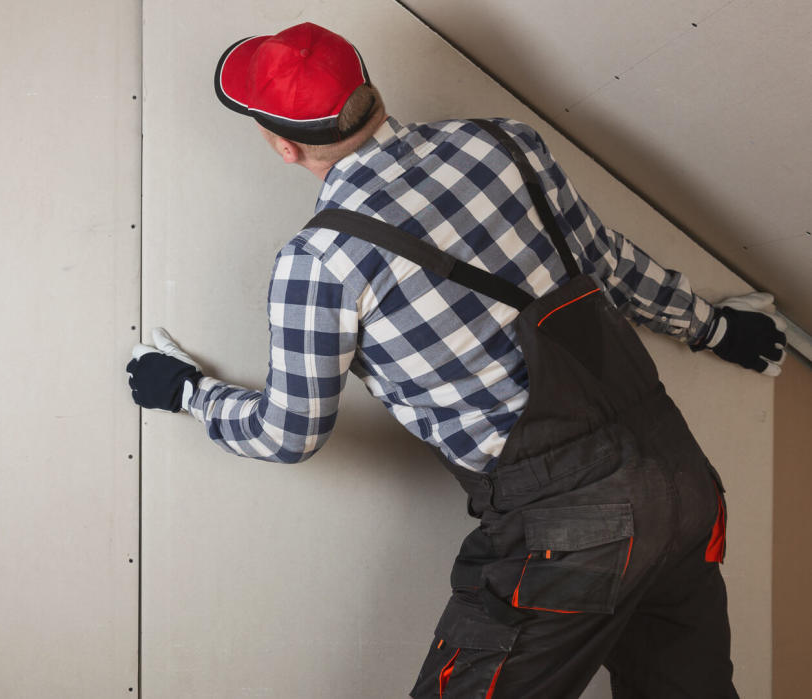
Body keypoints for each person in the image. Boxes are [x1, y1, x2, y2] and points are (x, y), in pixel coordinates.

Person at [125, 22, 787, 699]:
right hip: (681, 481)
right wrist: (713, 328)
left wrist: (188, 391)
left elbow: (287, 432)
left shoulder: (319, 262)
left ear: (283, 145)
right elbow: (607, 262)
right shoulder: (507, 143)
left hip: (569, 530)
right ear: (369, 91)